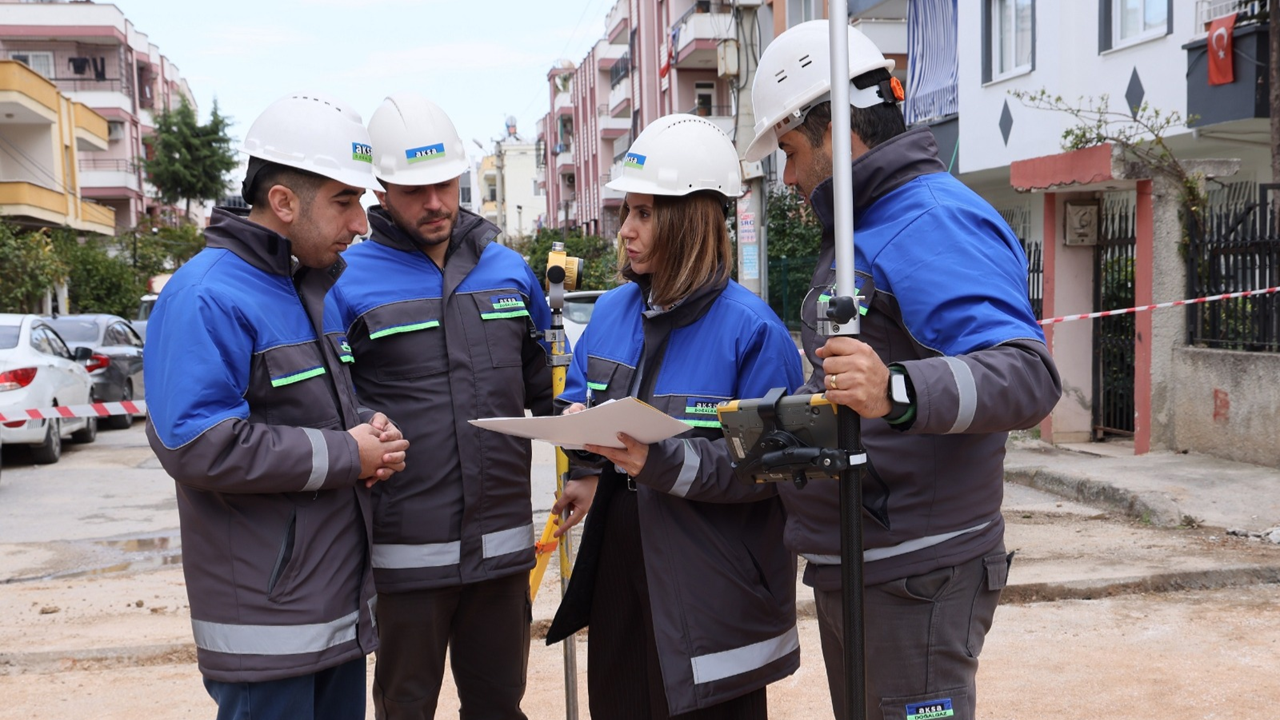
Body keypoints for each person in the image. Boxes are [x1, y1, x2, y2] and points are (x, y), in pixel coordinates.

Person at [739, 21, 1063, 719]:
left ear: (836, 130)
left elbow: (1028, 377)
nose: (788, 177)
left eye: (791, 151)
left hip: (919, 570)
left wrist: (898, 390)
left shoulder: (930, 221)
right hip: (870, 561)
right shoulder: (867, 229)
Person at [144, 92, 410, 720]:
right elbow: (198, 444)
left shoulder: (307, 288)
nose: (362, 224)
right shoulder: (206, 296)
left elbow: (307, 415)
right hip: (268, 625)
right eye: (345, 202)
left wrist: (368, 434)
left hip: (333, 609)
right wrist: (348, 451)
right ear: (284, 202)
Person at [544, 114, 805, 719]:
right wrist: (584, 459)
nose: (626, 231)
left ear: (689, 222)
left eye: (644, 213)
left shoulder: (753, 330)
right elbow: (582, 394)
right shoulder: (610, 312)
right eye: (626, 212)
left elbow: (773, 469)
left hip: (710, 582)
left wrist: (662, 461)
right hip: (620, 561)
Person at [325, 92, 554, 720]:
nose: (435, 203)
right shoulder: (344, 280)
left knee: (499, 705)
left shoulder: (510, 271)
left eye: (445, 184)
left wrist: (586, 466)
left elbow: (551, 392)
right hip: (405, 554)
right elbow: (331, 407)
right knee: (404, 708)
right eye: (414, 190)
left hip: (502, 549)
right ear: (381, 190)